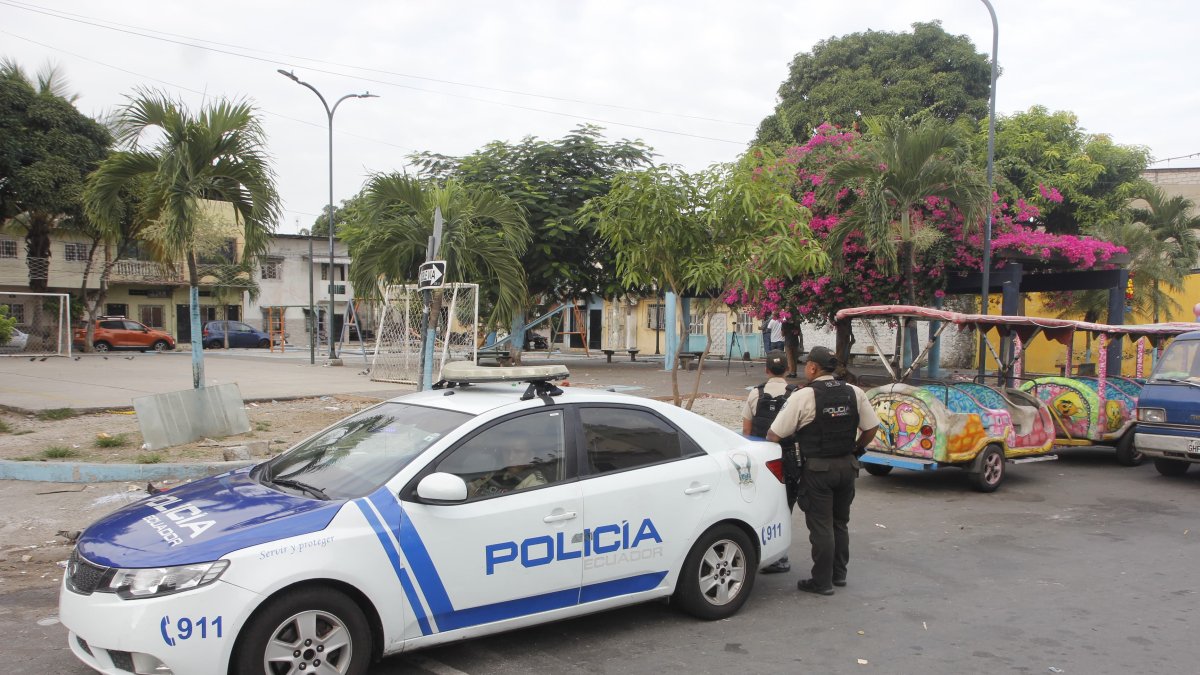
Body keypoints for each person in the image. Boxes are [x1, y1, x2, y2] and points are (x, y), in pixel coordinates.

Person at [767, 345, 880, 596]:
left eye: (807, 365)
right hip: (847, 467)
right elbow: (871, 428)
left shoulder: (803, 396)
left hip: (817, 470)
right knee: (840, 523)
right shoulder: (854, 392)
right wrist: (856, 451)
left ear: (813, 368)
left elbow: (774, 434)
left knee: (821, 526)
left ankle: (822, 581)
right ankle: (839, 575)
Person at [742, 350, 800, 573]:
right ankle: (780, 556)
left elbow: (747, 431)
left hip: (762, 459)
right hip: (788, 458)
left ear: (766, 370)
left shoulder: (755, 394)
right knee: (785, 505)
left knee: (760, 507)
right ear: (787, 369)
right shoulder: (796, 394)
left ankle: (763, 552)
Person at [468, 444, 549, 497]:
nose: (511, 457)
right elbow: (472, 488)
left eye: (518, 452)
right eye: (506, 451)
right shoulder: (497, 472)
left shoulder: (535, 484)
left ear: (531, 455)